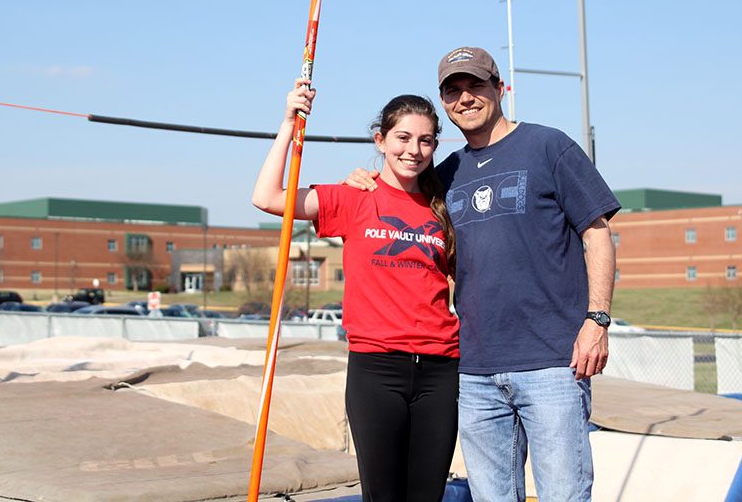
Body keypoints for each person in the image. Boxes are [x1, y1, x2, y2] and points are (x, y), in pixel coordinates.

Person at [347, 47, 620, 502]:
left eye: (476, 85)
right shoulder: (446, 174)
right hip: (473, 372)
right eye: (453, 90)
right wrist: (366, 178)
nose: (465, 97)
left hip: (553, 363)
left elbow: (598, 233)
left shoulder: (547, 146)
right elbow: (401, 196)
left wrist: (598, 320)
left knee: (564, 494)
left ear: (500, 88)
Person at [252, 79, 461, 502]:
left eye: (425, 141)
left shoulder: (444, 205)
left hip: (440, 371)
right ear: (380, 140)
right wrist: (290, 121)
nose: (413, 150)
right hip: (376, 371)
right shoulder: (353, 197)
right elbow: (267, 196)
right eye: (402, 138)